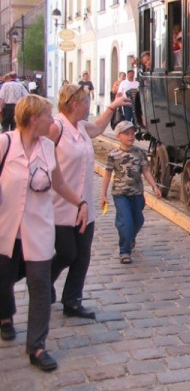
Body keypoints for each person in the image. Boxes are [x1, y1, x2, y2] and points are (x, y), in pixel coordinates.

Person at [0, 94, 89, 371]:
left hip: (38, 228)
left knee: (39, 288)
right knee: (3, 281)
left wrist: (80, 202)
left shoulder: (48, 147)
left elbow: (59, 183)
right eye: (47, 116)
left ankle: (37, 347)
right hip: (5, 228)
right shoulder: (5, 143)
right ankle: (5, 316)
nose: (52, 120)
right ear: (32, 119)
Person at [47, 85, 131, 321]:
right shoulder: (57, 127)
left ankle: (72, 301)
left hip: (85, 204)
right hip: (60, 204)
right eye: (86, 102)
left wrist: (112, 106)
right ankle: (46, 281)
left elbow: (99, 128)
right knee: (66, 253)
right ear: (74, 104)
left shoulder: (81, 126)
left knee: (82, 254)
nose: (88, 105)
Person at [101, 121, 162, 264]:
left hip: (137, 194)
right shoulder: (113, 155)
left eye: (132, 133)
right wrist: (103, 194)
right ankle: (124, 251)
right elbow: (107, 174)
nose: (130, 137)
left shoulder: (139, 153)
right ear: (118, 136)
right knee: (125, 222)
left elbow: (146, 171)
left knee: (138, 221)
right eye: (126, 134)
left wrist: (154, 186)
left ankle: (130, 237)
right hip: (120, 194)